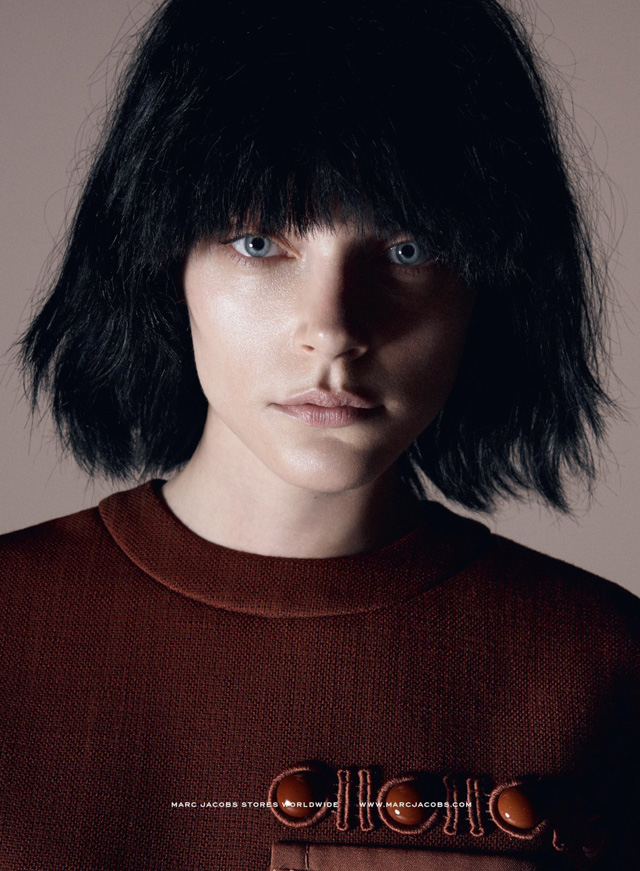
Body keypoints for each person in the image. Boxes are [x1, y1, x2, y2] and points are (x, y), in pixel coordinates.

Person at [1, 0, 638, 869]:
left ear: (490, 285)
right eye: (259, 242)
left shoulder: (602, 666)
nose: (333, 328)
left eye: (408, 248)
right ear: (164, 262)